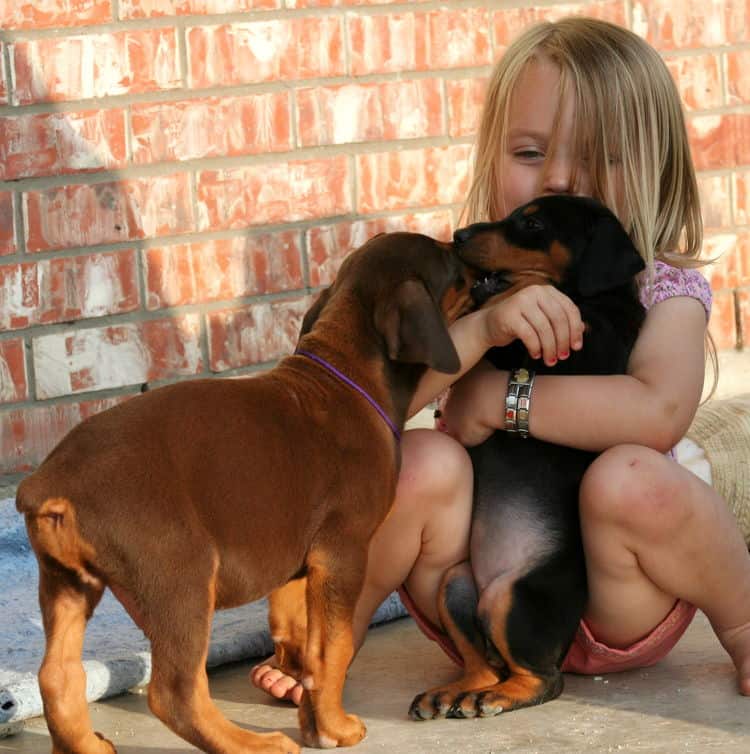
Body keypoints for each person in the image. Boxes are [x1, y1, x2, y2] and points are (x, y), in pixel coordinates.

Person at [252, 17, 750, 702]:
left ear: (652, 164)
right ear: (491, 158)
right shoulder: (471, 282)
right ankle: (327, 640)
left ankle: (748, 626)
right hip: (475, 593)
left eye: (600, 157)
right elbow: (379, 398)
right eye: (528, 153)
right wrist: (483, 327)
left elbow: (659, 411)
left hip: (619, 596)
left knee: (632, 479)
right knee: (420, 460)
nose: (562, 177)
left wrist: (500, 399)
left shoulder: (661, 287)